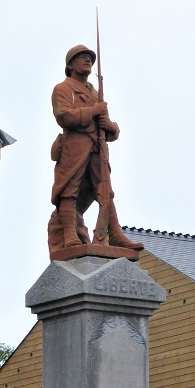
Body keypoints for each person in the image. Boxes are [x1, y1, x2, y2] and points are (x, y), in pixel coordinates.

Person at [47, 44, 144, 254]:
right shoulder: (63, 88)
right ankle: (70, 234)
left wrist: (112, 128)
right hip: (74, 147)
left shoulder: (95, 92)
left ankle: (113, 233)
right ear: (71, 65)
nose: (88, 60)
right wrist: (93, 111)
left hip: (97, 148)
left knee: (105, 190)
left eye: (90, 58)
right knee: (69, 189)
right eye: (82, 57)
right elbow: (64, 116)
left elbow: (108, 126)